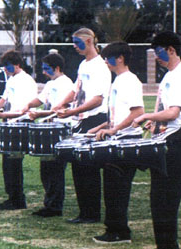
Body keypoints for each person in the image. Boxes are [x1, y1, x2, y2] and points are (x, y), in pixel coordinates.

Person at [132, 31, 181, 249]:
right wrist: (156, 121)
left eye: (159, 52)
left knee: (165, 200)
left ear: (171, 50)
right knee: (158, 198)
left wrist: (149, 116)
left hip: (176, 141)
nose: (157, 57)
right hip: (167, 136)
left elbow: (174, 113)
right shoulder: (173, 75)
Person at [87, 42, 144, 243]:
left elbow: (138, 112)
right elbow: (118, 115)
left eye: (108, 57)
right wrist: (100, 127)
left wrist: (114, 130)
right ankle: (113, 228)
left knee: (118, 188)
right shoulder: (118, 81)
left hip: (126, 141)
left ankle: (120, 231)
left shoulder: (129, 81)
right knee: (111, 186)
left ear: (120, 58)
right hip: (117, 139)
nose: (105, 61)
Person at [53, 28, 111, 224]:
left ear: (88, 41)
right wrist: (62, 104)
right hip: (81, 119)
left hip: (95, 119)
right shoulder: (83, 65)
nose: (75, 47)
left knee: (88, 167)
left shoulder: (100, 66)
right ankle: (84, 211)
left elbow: (97, 99)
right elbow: (76, 90)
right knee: (78, 166)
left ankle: (91, 213)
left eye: (77, 43)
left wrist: (71, 112)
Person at [21, 53, 73, 217]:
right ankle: (49, 203)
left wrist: (38, 115)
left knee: (55, 170)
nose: (43, 72)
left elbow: (58, 109)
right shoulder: (51, 83)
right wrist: (29, 105)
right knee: (46, 170)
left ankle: (55, 206)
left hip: (60, 129)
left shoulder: (65, 84)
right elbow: (41, 99)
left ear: (57, 68)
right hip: (49, 129)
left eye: (46, 69)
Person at [0, 49, 38, 210]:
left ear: (17, 65)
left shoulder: (25, 81)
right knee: (7, 163)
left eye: (7, 66)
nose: (5, 69)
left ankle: (17, 199)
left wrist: (1, 114)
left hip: (20, 124)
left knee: (13, 163)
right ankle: (13, 197)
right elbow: (4, 98)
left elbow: (22, 110)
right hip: (10, 124)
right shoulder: (12, 79)